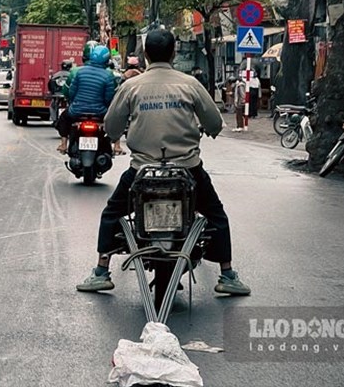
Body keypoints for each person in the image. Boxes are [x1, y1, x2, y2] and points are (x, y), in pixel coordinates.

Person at [75, 28, 250, 296]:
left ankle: (101, 270)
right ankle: (226, 273)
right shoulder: (190, 84)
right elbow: (215, 123)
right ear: (174, 52)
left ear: (144, 54)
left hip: (141, 171)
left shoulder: (131, 86)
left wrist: (119, 132)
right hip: (187, 169)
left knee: (112, 215)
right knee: (216, 216)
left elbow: (111, 128)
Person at [56, 45, 117, 155]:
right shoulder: (108, 76)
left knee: (63, 118)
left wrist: (75, 104)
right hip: (100, 112)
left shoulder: (79, 72)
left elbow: (71, 92)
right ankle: (116, 145)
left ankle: (63, 144)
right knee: (115, 120)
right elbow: (109, 98)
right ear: (106, 60)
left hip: (77, 111)